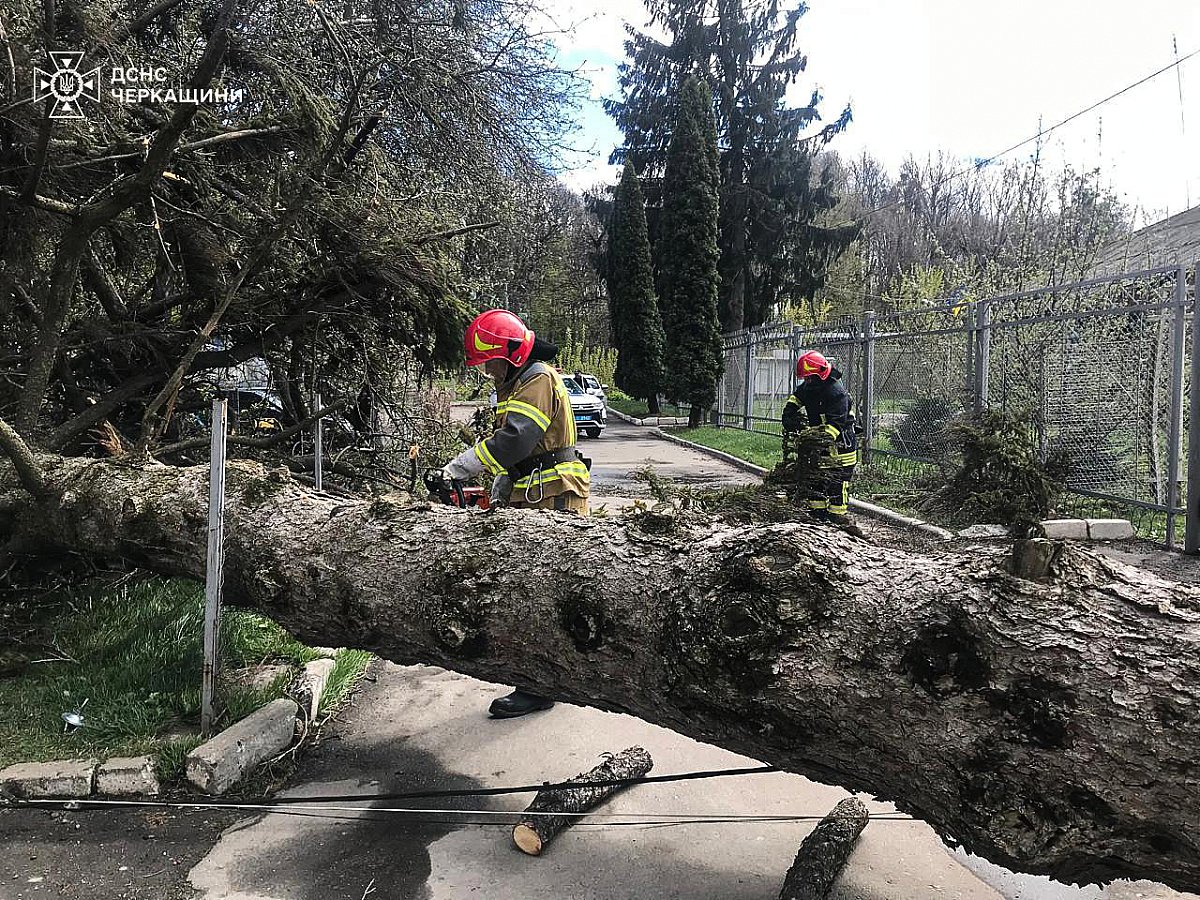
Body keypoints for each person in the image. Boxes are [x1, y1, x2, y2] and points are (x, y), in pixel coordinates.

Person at [441, 309, 590, 718]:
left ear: (511, 355)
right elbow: (524, 450)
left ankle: (540, 686)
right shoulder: (521, 382)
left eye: (490, 363)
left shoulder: (537, 379)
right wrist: (506, 480)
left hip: (555, 493)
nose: (487, 372)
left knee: (541, 591)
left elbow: (516, 439)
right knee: (530, 588)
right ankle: (543, 679)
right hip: (538, 490)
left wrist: (464, 465)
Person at [781, 350, 859, 523]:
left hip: (841, 447)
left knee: (837, 482)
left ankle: (837, 517)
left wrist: (817, 440)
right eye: (805, 378)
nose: (807, 381)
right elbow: (796, 398)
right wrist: (789, 413)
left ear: (820, 374)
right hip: (820, 445)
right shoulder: (809, 387)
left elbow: (835, 425)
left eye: (810, 378)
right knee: (816, 481)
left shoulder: (836, 392)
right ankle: (817, 516)